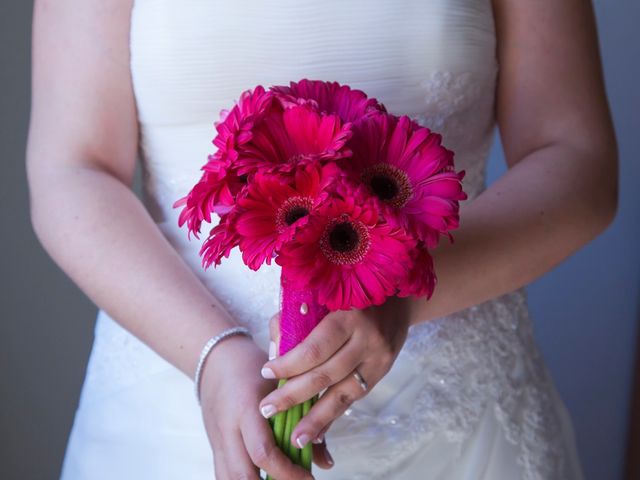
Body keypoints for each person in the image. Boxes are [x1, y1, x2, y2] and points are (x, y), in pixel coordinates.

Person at [26, 0, 617, 478]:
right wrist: (211, 354)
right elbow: (73, 169)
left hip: (454, 414)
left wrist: (403, 291)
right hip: (175, 391)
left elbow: (576, 158)